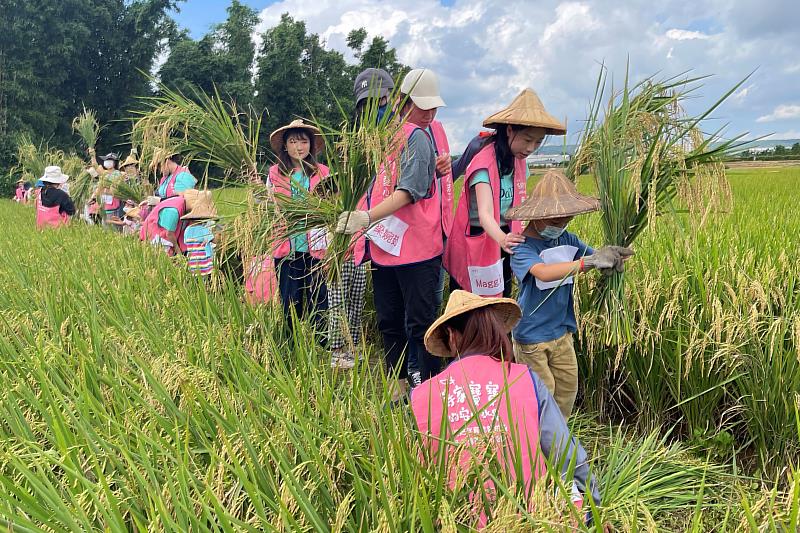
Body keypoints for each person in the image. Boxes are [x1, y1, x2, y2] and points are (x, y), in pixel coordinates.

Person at [410, 290, 601, 528]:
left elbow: (418, 473)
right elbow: (565, 452)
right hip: (533, 518)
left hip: (458, 521)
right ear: (496, 330)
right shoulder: (524, 378)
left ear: (451, 336)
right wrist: (594, 508)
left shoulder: (421, 396)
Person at [337, 67, 446, 393]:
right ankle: (399, 386)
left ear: (395, 100)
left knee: (421, 323)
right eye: (368, 106)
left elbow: (407, 191)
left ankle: (428, 389)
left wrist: (364, 217)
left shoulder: (415, 137)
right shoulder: (368, 145)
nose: (429, 112)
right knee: (389, 321)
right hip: (383, 250)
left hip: (418, 251)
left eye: (381, 101)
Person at [505, 170, 633, 417]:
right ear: (539, 216)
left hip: (562, 331)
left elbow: (593, 255)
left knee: (566, 389)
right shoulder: (521, 248)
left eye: (566, 220)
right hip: (532, 335)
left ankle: (558, 439)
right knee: (543, 394)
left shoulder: (567, 238)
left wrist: (611, 257)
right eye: (556, 221)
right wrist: (588, 263)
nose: (561, 226)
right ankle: (535, 445)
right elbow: (543, 272)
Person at [445, 89, 565, 298]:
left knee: (501, 299)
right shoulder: (484, 165)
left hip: (506, 236)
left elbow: (521, 201)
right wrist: (502, 239)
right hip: (478, 238)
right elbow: (484, 214)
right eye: (527, 139)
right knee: (471, 302)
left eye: (537, 142)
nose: (531, 148)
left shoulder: (519, 162)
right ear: (509, 130)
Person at [327, 68, 392, 370]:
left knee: (356, 295)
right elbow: (335, 194)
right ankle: (338, 349)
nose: (375, 111)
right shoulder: (355, 148)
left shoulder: (397, 143)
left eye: (381, 103)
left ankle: (352, 346)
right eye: (368, 107)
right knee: (338, 297)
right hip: (345, 236)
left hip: (371, 237)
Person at [269, 119, 330, 336]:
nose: (299, 146)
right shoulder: (275, 173)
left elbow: (332, 204)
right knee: (290, 301)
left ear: (311, 145)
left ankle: (320, 344)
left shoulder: (323, 172)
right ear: (285, 146)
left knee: (319, 300)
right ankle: (291, 344)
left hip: (316, 248)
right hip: (287, 248)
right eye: (293, 141)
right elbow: (268, 204)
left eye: (303, 141)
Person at [140, 189, 201, 256]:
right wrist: (179, 253)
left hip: (167, 236)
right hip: (157, 237)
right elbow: (169, 234)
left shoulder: (182, 203)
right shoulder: (173, 211)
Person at [181, 192, 218, 277]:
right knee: (205, 281)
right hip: (203, 262)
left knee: (196, 281)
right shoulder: (204, 230)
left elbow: (186, 243)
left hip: (192, 262)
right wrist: (217, 234)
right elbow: (214, 241)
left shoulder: (187, 230)